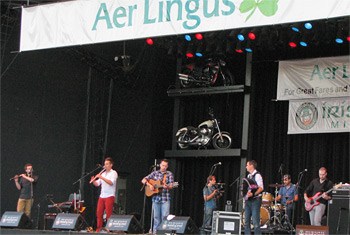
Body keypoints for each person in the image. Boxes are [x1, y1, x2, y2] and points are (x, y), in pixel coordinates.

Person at [141, 159, 174, 233]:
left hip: (165, 199)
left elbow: (171, 185)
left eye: (165, 166)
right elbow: (143, 180)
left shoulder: (169, 174)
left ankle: (164, 232)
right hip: (155, 199)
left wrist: (167, 186)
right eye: (163, 165)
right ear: (160, 165)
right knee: (156, 218)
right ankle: (155, 232)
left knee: (165, 218)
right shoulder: (155, 173)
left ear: (167, 166)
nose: (164, 167)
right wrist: (149, 185)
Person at [92, 157, 118, 232]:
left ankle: (109, 229)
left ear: (111, 165)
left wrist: (101, 178)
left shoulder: (114, 173)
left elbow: (111, 182)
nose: (105, 165)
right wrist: (93, 181)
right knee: (99, 213)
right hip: (102, 196)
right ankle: (98, 229)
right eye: (105, 164)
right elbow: (97, 184)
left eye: (107, 164)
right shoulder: (102, 173)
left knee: (109, 213)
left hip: (109, 195)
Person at [244, 160, 263, 235]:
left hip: (255, 200)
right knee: (246, 221)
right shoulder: (248, 176)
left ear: (251, 166)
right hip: (248, 200)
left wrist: (253, 194)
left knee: (255, 222)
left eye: (247, 165)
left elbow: (261, 188)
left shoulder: (257, 175)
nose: (246, 167)